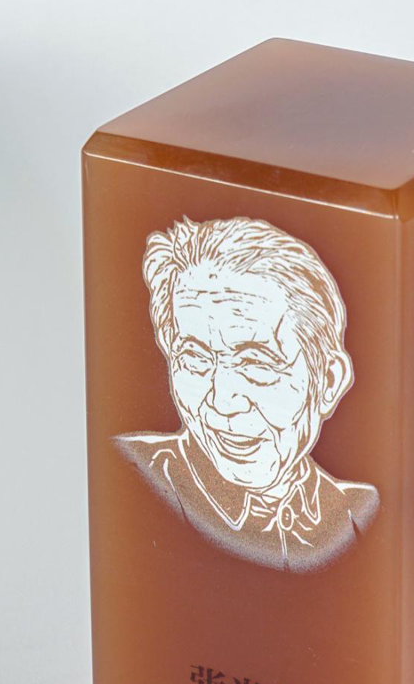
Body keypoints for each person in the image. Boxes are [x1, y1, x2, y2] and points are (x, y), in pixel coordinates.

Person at [114, 215, 380, 573]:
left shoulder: (360, 516)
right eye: (195, 359)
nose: (222, 402)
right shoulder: (126, 476)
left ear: (329, 382)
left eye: (256, 364)